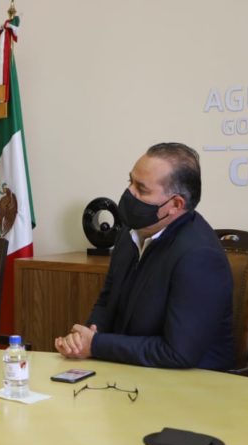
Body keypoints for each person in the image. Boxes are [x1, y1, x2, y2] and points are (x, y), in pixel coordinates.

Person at [54, 142, 234, 370]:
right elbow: (108, 301)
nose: (129, 193)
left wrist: (97, 345)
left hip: (192, 388)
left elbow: (178, 353)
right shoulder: (130, 234)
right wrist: (84, 338)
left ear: (175, 204)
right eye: (130, 181)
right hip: (134, 371)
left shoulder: (200, 256)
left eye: (142, 189)